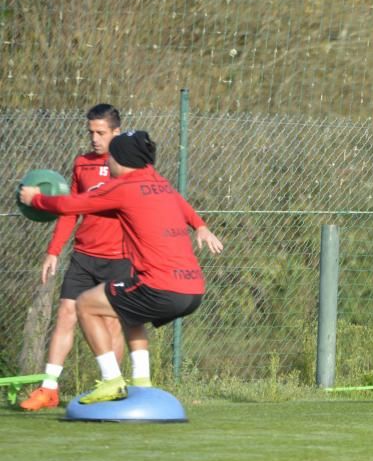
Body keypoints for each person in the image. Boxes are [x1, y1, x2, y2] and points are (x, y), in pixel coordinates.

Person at [19, 105, 222, 411]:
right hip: (192, 290)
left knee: (86, 303)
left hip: (161, 286)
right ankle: (142, 383)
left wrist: (35, 198)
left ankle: (112, 381)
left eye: (112, 155)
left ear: (121, 160)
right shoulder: (158, 182)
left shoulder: (123, 188)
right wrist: (201, 226)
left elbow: (69, 205)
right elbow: (180, 204)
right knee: (128, 312)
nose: (106, 159)